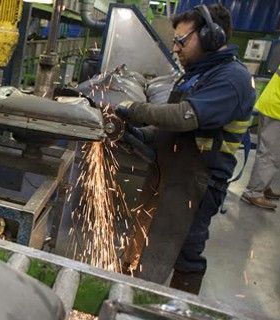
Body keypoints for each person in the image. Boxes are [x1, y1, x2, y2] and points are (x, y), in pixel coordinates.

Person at [115, 4, 255, 294]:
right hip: (170, 172)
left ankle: (179, 306)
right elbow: (169, 129)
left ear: (211, 37)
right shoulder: (198, 74)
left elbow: (183, 117)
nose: (175, 48)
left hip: (198, 183)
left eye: (181, 40)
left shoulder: (231, 79)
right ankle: (124, 292)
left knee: (185, 250)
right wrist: (137, 133)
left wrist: (133, 109)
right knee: (143, 235)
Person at [241, 69, 280, 210]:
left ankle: (263, 186)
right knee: (271, 154)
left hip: (272, 104)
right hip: (277, 109)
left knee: (268, 151)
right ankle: (253, 192)